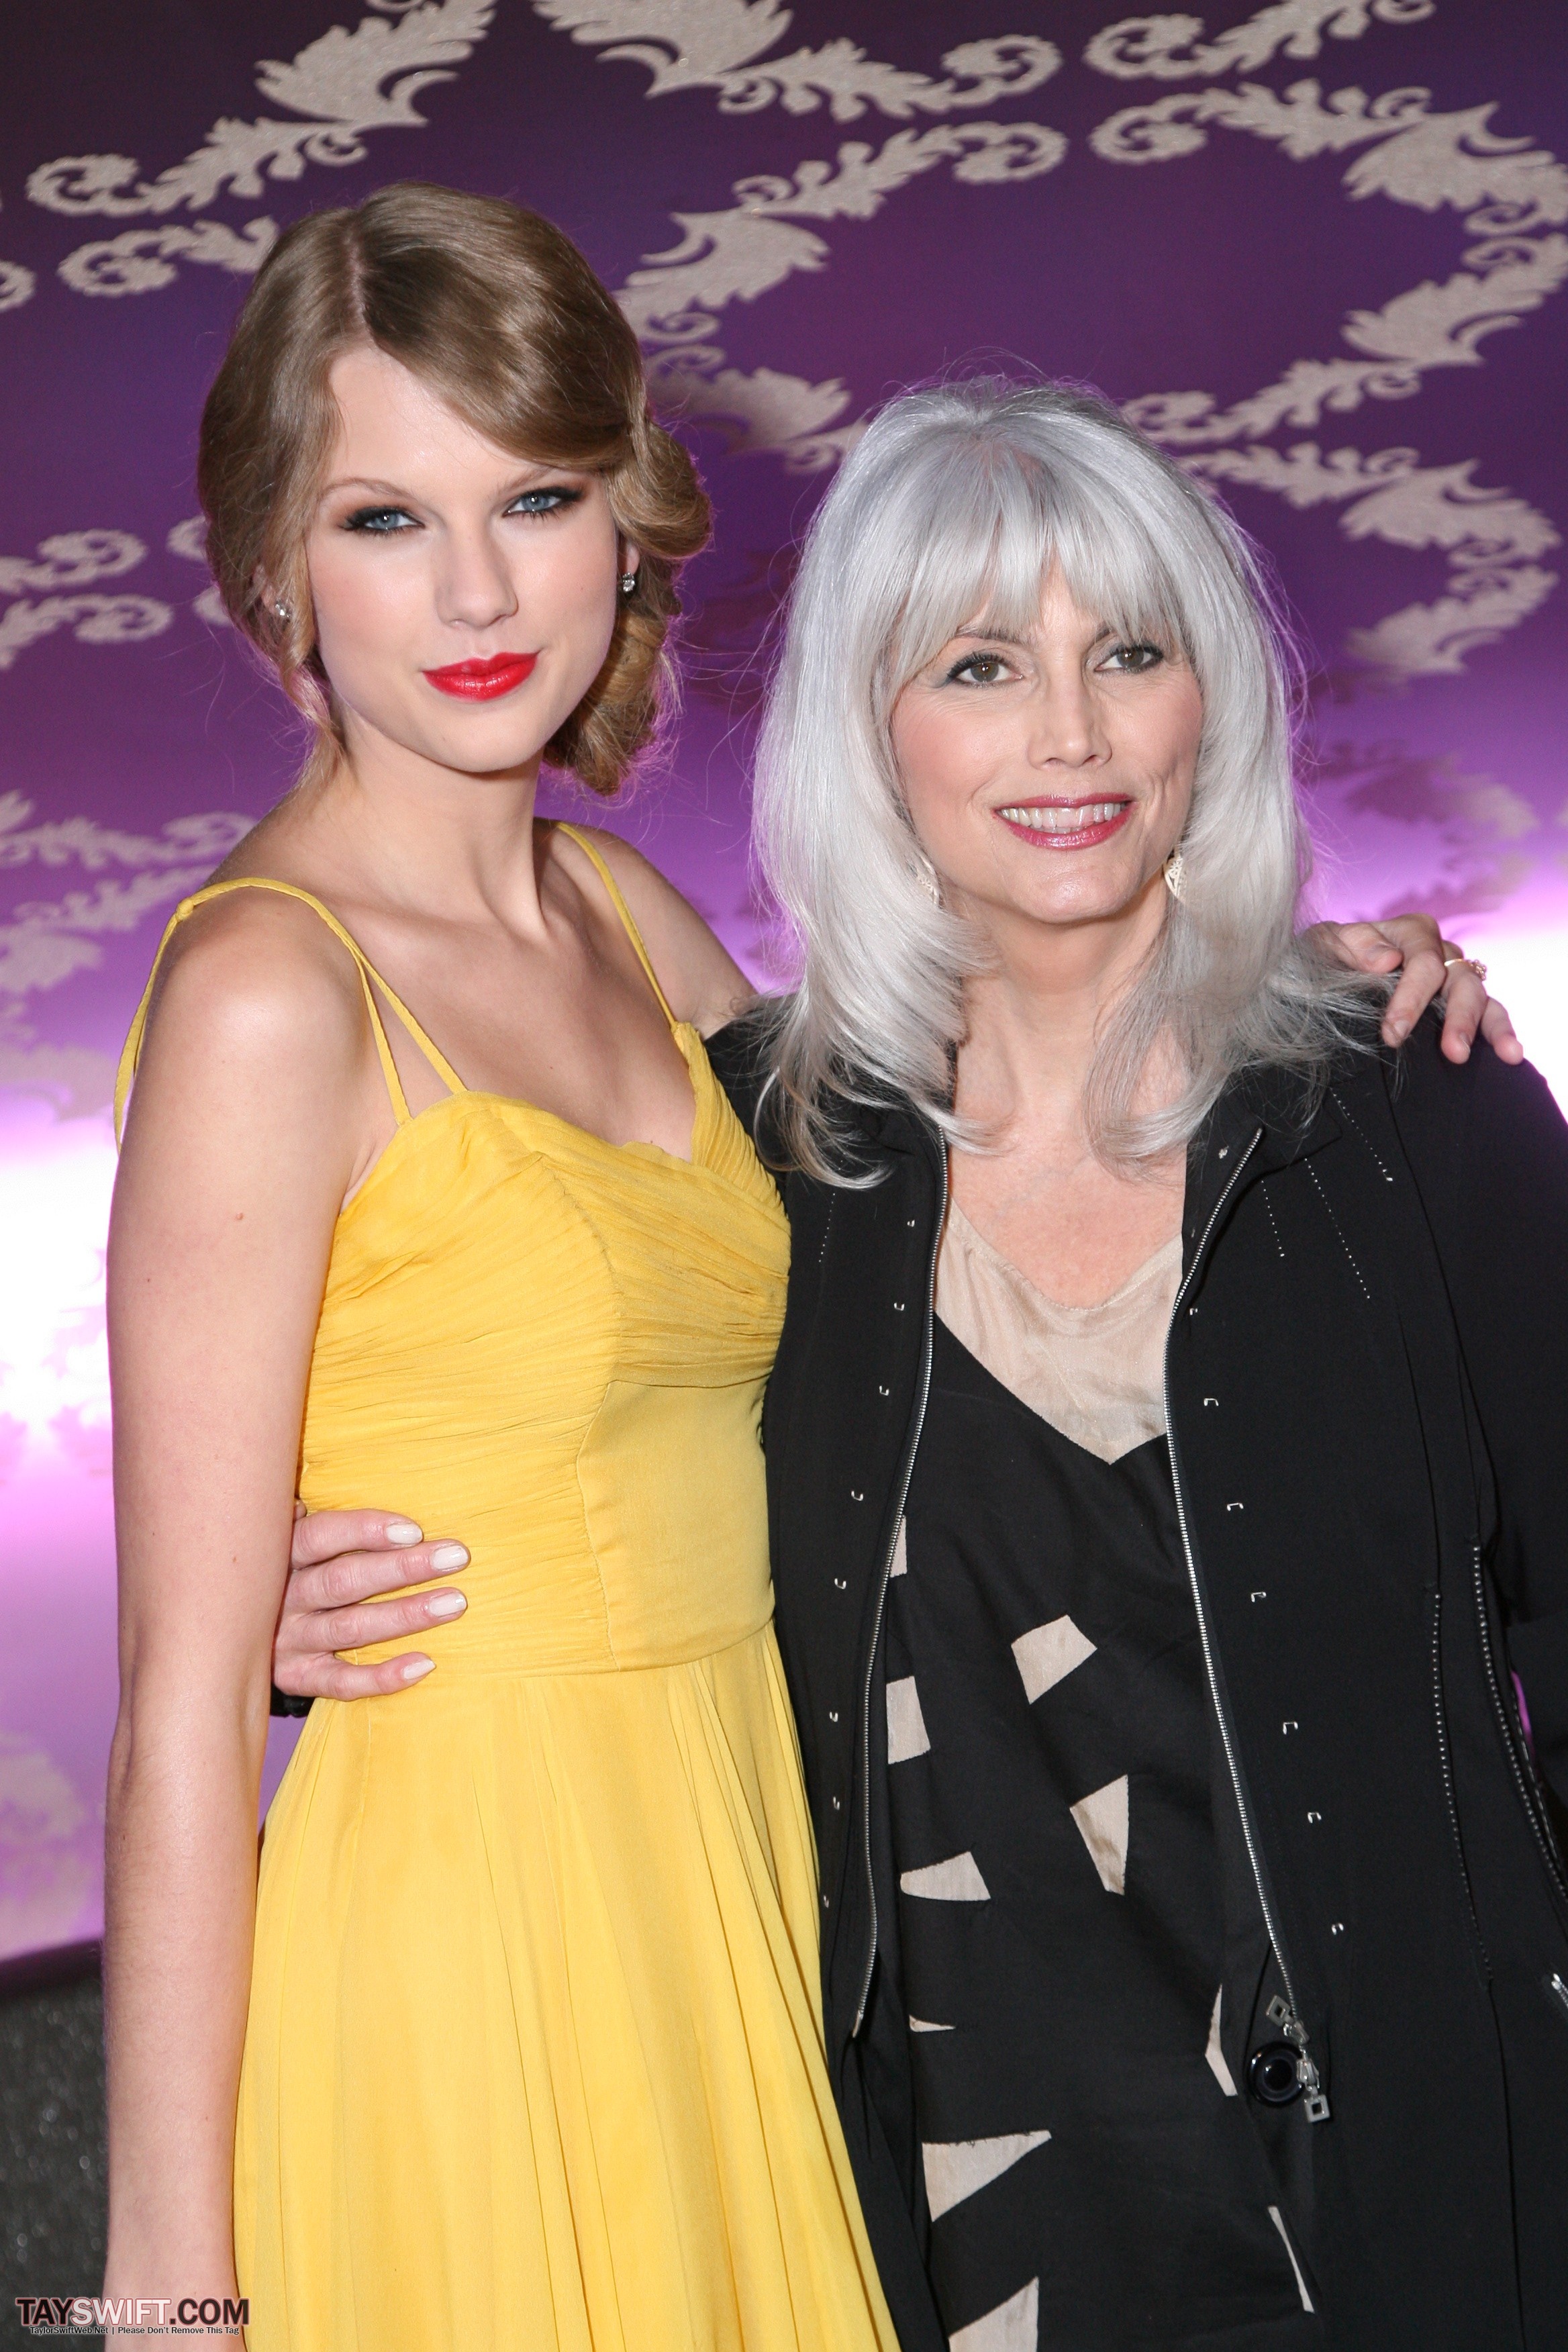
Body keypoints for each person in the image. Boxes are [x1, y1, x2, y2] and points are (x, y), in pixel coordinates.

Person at [271, 382, 1559, 2351]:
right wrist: (297, 1604)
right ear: (873, 730)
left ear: (1209, 700)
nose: (1070, 734)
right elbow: (594, 1453)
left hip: (1422, 2217)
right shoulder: (765, 1172)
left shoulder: (1412, 1109)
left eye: (1129, 653)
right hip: (966, 2243)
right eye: (979, 666)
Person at [105, 182, 901, 2351]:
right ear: (276, 567)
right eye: (386, 519)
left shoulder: (626, 916)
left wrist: (1265, 995)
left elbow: (935, 1240)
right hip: (466, 1949)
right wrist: (166, 2301)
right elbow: (182, 1707)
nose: (475, 591)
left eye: (534, 499)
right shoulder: (270, 994)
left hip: (727, 1878)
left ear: (620, 524)